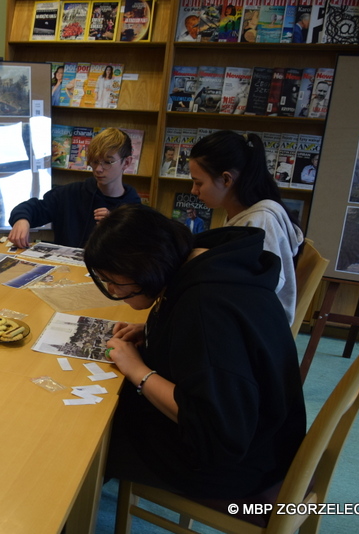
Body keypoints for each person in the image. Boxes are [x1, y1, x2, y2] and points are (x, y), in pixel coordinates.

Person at [85, 204, 305, 499]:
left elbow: (215, 427)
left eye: (114, 281)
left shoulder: (205, 308)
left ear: (146, 269)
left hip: (239, 465)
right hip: (265, 436)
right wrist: (154, 332)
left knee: (92, 434)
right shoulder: (208, 263)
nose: (112, 290)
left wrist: (137, 370)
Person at [189, 130, 304, 325]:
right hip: (243, 317)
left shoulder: (260, 222)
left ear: (227, 179)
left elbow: (258, 293)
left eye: (198, 182)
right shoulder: (242, 213)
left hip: (257, 326)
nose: (193, 191)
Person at [8, 128, 141, 249]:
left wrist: (115, 225)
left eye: (107, 162)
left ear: (127, 162)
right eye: (94, 161)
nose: (99, 169)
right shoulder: (70, 193)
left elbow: (137, 253)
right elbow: (33, 208)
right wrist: (22, 219)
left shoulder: (134, 209)